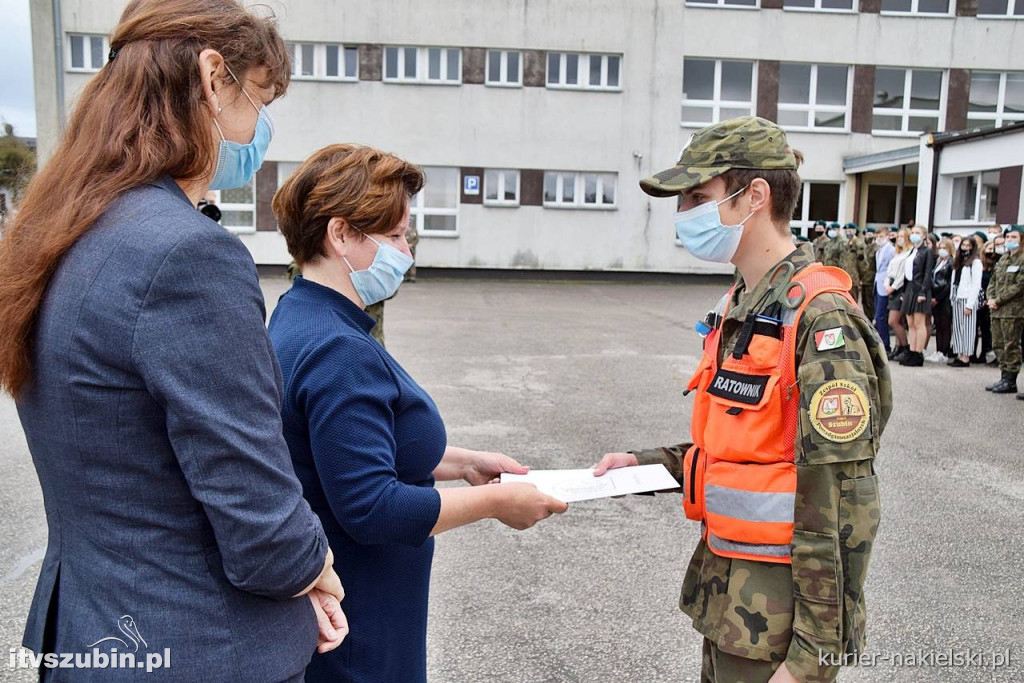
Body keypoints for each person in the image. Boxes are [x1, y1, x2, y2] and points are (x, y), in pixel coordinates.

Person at [0, 1, 347, 680]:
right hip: (197, 645)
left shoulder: (59, 232)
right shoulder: (187, 255)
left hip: (90, 631)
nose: (260, 129)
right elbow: (258, 515)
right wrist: (317, 566)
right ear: (214, 78)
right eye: (261, 100)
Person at [593, 117, 891, 683]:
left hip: (780, 619)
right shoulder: (745, 302)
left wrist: (812, 658)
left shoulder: (820, 318)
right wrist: (644, 466)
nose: (684, 215)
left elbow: (840, 496)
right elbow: (747, 452)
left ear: (753, 196)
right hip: (729, 600)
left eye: (697, 196)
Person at [268, 144, 568, 683]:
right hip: (362, 619)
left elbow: (345, 448)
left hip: (346, 610)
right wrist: (498, 500)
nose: (405, 251)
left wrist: (460, 463)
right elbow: (372, 507)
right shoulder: (340, 350)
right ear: (341, 235)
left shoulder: (301, 313)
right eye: (396, 236)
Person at [985, 226, 1024, 394]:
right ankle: (1004, 376)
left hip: (1013, 310)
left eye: (1013, 237)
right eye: (1008, 237)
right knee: (998, 344)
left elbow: (1019, 285)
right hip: (997, 310)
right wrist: (991, 299)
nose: (1009, 240)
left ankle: (1011, 380)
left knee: (1011, 345)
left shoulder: (1022, 259)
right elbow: (993, 281)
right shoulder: (1003, 259)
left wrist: (998, 300)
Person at [899, 225, 934, 366]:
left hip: (920, 289)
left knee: (919, 323)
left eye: (917, 233)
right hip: (910, 288)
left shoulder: (926, 252)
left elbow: (927, 273)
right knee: (911, 323)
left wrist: (923, 292)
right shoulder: (913, 250)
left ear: (924, 236)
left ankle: (918, 353)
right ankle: (912, 350)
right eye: (912, 232)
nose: (914, 235)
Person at [949, 235, 984, 367]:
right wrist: (952, 298)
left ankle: (966, 357)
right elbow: (954, 281)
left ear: (973, 247)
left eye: (968, 246)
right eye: (963, 245)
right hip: (957, 297)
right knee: (958, 328)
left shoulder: (975, 262)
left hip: (968, 299)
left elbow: (976, 284)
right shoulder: (958, 261)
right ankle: (959, 353)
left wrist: (970, 304)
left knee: (968, 329)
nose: (965, 248)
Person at [885, 228, 913, 361]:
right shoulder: (898, 253)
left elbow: (903, 275)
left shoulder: (909, 254)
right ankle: (898, 347)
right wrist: (887, 285)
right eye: (899, 236)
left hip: (900, 289)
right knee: (898, 321)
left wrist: (893, 287)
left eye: (903, 236)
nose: (900, 238)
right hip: (891, 287)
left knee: (893, 321)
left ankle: (905, 347)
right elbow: (889, 271)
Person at [927, 238, 954, 363]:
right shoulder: (938, 262)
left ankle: (944, 351)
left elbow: (949, 284)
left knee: (945, 326)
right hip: (935, 296)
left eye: (944, 248)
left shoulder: (951, 263)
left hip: (944, 299)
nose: (941, 250)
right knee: (938, 325)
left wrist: (938, 298)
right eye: (940, 247)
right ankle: (938, 350)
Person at [873, 226, 896, 353]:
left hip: (885, 285)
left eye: (881, 236)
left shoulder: (891, 250)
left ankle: (885, 346)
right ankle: (881, 344)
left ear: (887, 236)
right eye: (877, 236)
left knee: (881, 316)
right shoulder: (879, 250)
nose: (878, 239)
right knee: (878, 316)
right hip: (878, 284)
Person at [859, 226, 878, 320]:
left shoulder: (876, 248)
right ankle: (867, 319)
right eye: (866, 235)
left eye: (870, 234)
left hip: (871, 279)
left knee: (871, 302)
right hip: (863, 279)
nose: (867, 236)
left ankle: (872, 319)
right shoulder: (864, 247)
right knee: (864, 302)